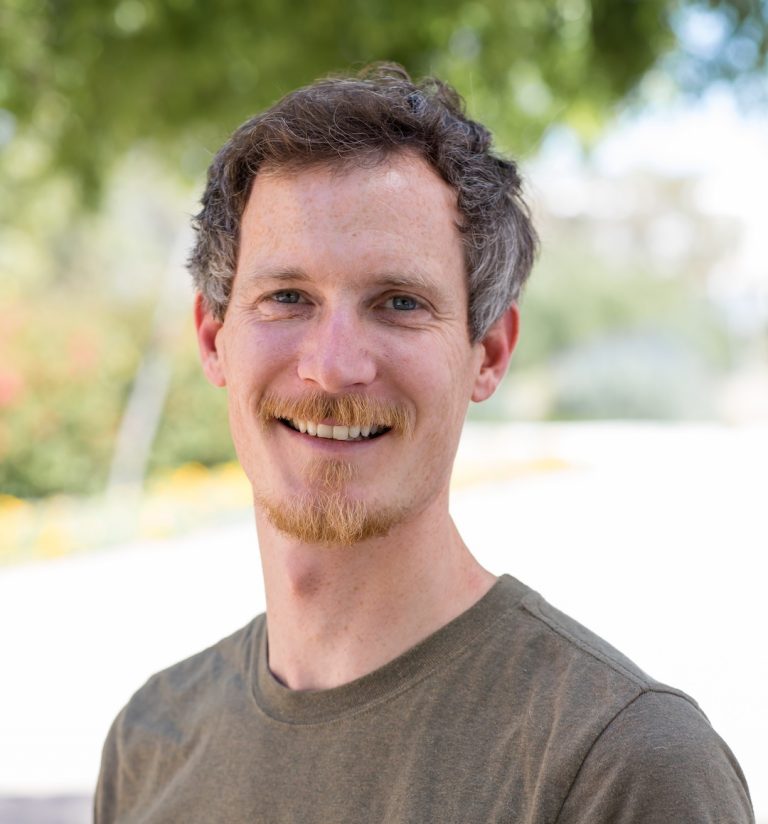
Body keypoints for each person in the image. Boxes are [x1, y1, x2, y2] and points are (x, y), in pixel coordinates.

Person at [95, 64, 754, 823]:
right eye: (286, 298)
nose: (333, 367)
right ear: (214, 337)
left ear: (491, 352)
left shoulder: (617, 767)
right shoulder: (150, 744)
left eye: (399, 302)